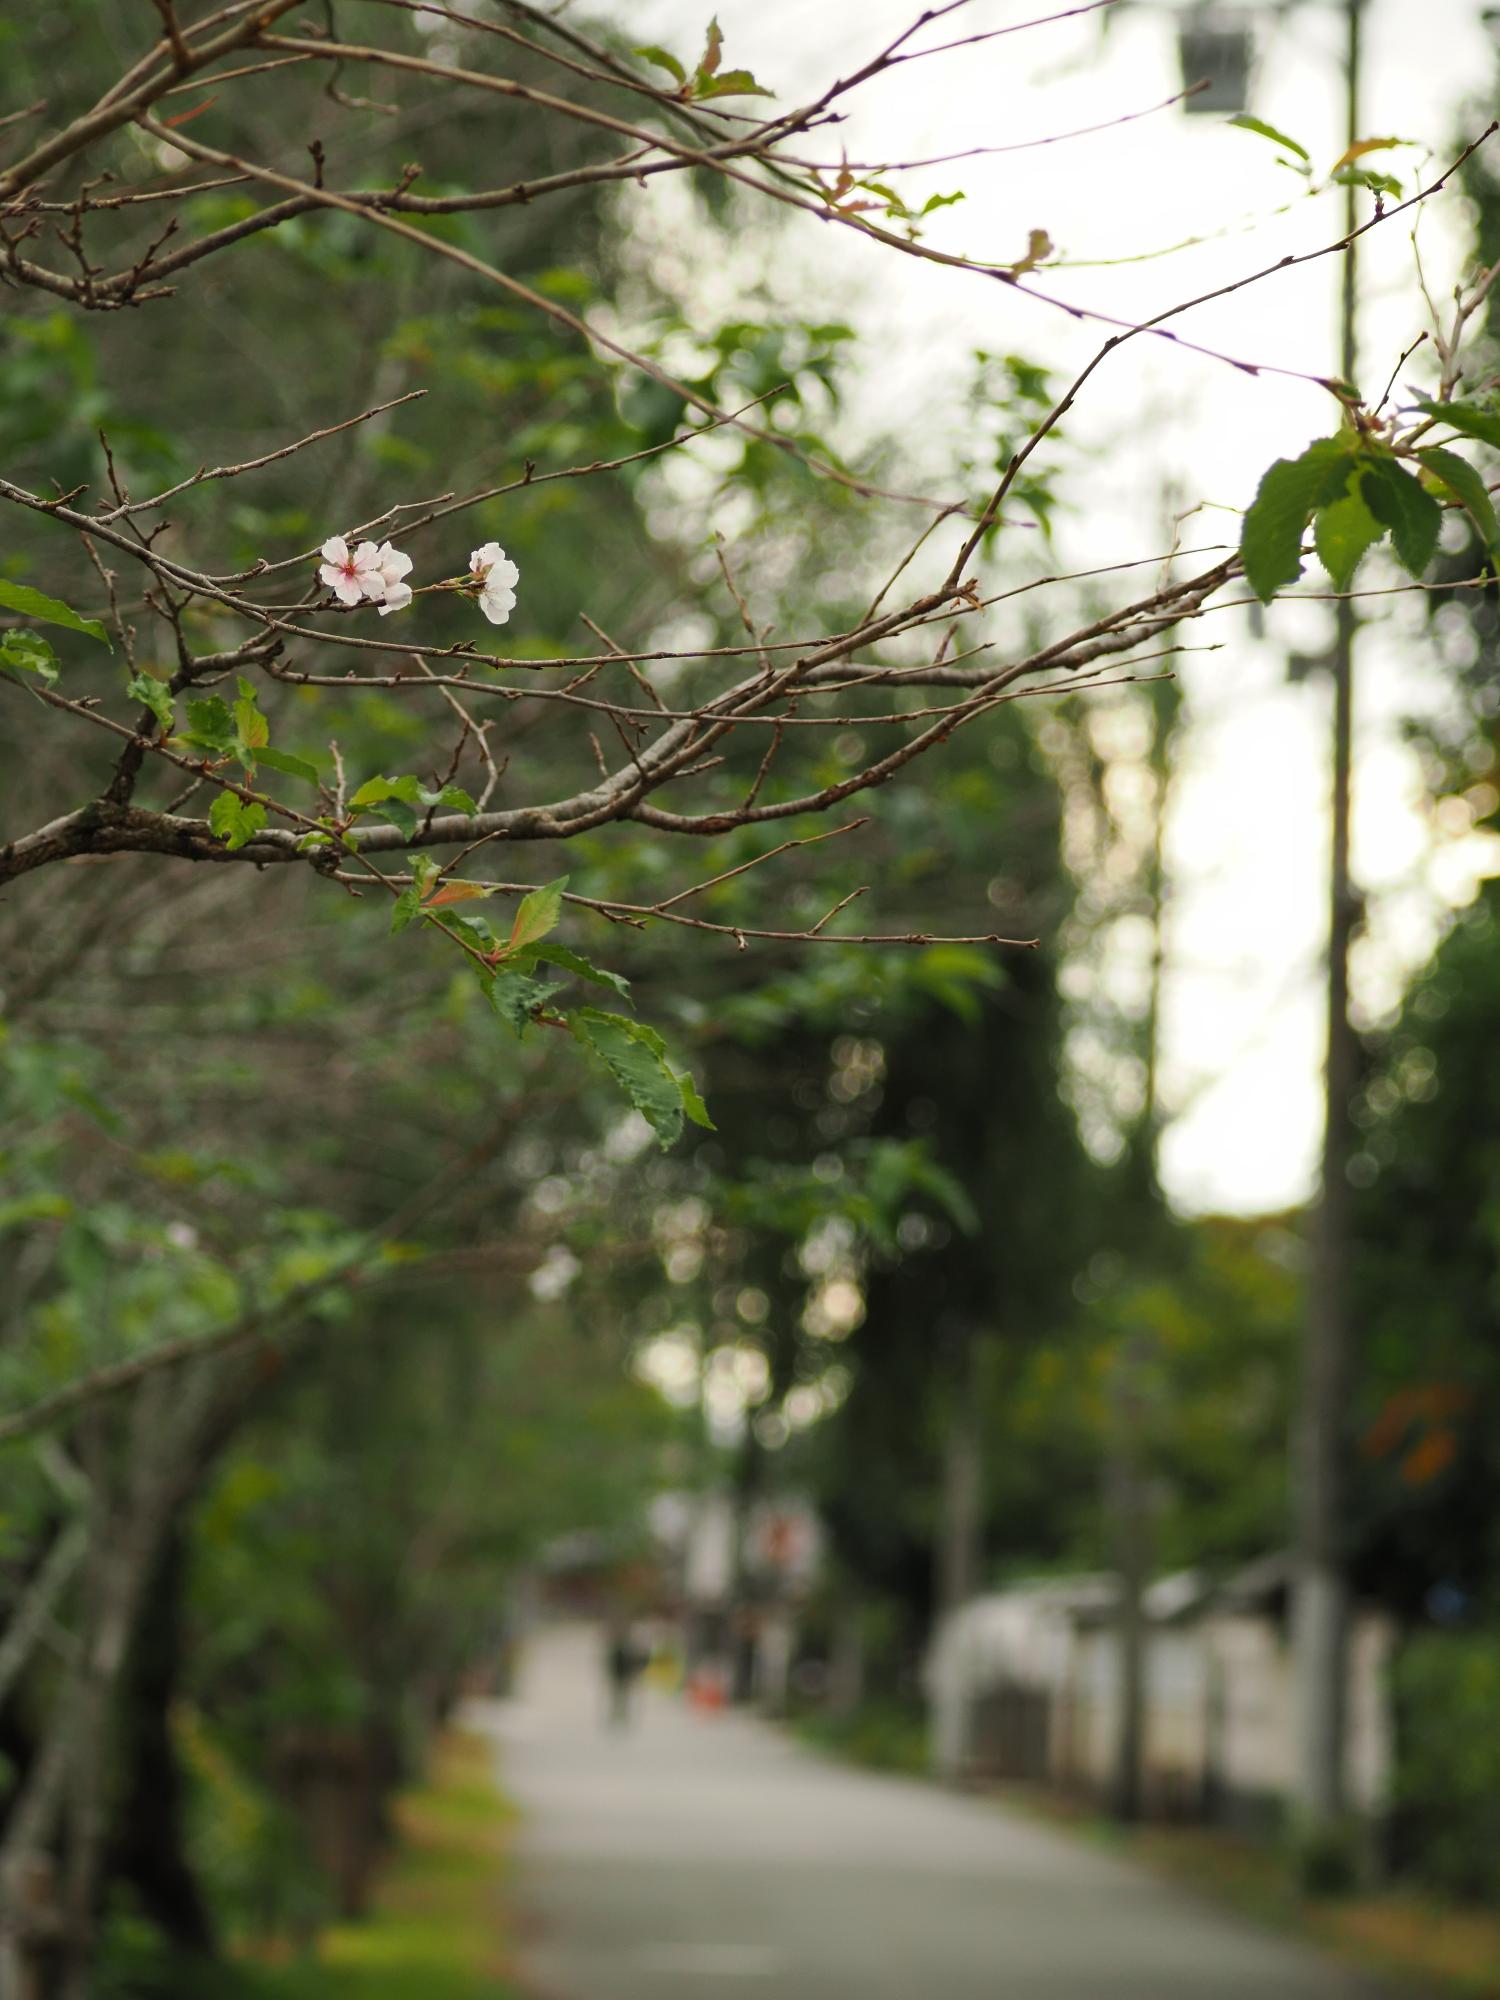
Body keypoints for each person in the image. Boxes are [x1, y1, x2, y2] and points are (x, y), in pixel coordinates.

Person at [604, 1621, 644, 1729]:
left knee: (623, 1697)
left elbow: (631, 1662)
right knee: (617, 1697)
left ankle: (622, 1715)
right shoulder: (616, 1648)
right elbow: (611, 1663)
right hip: (618, 1676)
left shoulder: (627, 1647)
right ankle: (616, 1715)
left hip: (624, 1676)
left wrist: (631, 1673)